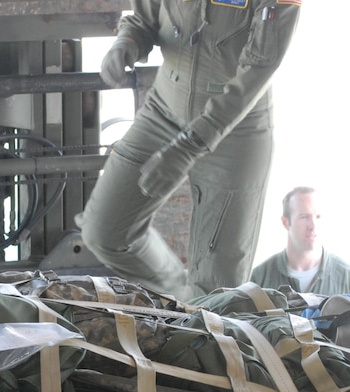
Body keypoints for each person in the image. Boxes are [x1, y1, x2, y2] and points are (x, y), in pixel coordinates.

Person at [76, 0, 302, 300]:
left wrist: (189, 146)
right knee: (105, 232)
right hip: (165, 109)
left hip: (236, 129)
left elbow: (261, 65)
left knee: (217, 290)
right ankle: (183, 297)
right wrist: (127, 41)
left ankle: (202, 313)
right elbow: (146, 18)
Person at [249, 186, 350, 297]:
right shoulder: (259, 279)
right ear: (285, 222)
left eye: (318, 216)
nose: (313, 226)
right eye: (304, 217)